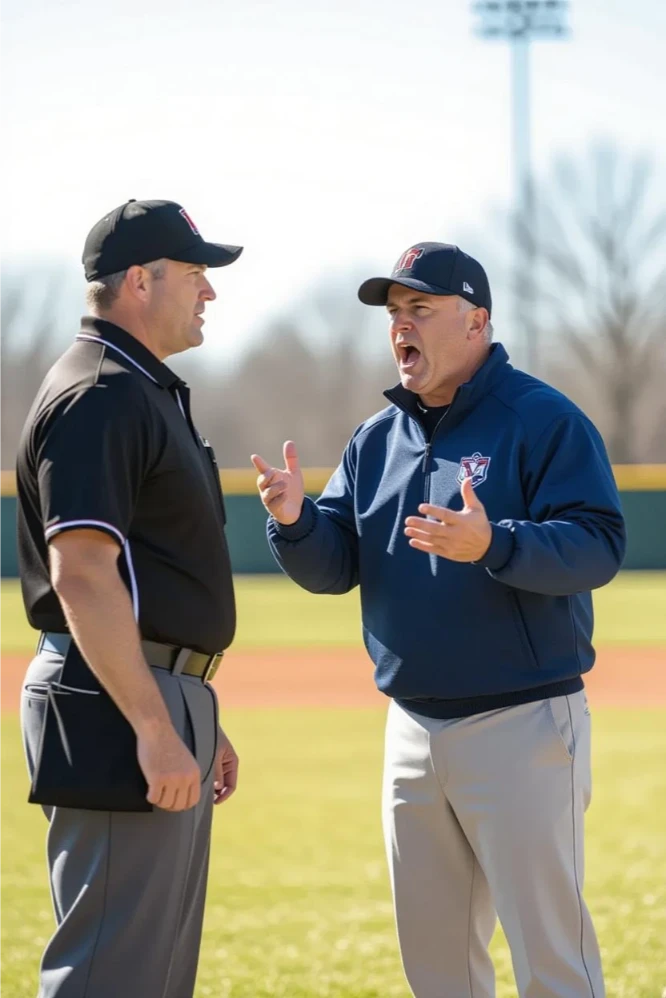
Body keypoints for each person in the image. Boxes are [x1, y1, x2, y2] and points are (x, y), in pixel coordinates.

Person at [252, 242, 626, 998]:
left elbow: (599, 544)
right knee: (436, 968)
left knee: (552, 960)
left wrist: (498, 543)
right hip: (412, 728)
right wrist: (294, 520)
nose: (401, 327)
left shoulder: (541, 419)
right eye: (394, 313)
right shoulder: (375, 440)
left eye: (420, 308)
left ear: (477, 321)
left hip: (522, 723)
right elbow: (334, 565)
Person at [16, 198, 242, 998]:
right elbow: (81, 573)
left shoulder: (137, 387)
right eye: (196, 273)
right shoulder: (101, 392)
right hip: (112, 703)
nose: (210, 290)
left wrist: (192, 711)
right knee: (109, 974)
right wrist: (154, 720)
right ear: (140, 281)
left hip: (148, 690)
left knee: (149, 976)